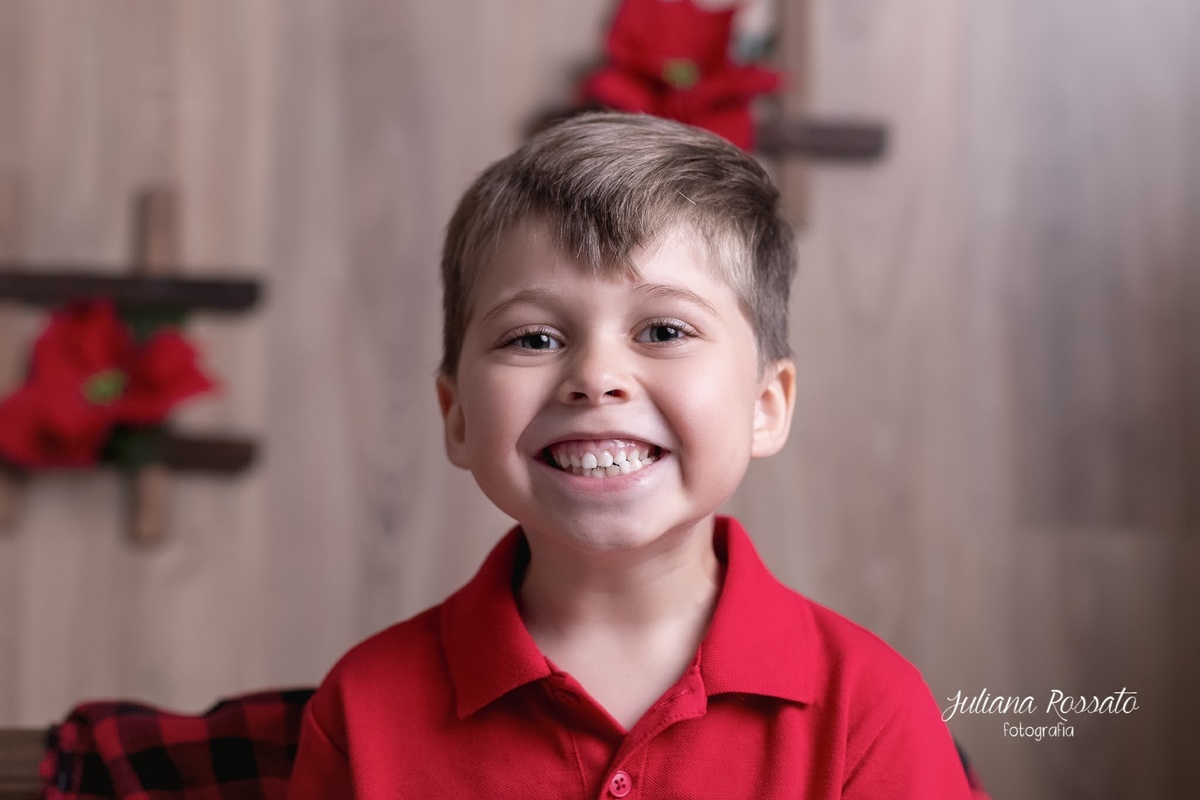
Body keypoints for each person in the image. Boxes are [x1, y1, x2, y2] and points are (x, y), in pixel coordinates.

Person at [287, 112, 975, 798]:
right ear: (458, 417)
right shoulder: (361, 709)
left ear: (767, 405)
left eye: (665, 329)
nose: (595, 375)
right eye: (532, 339)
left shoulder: (870, 709)